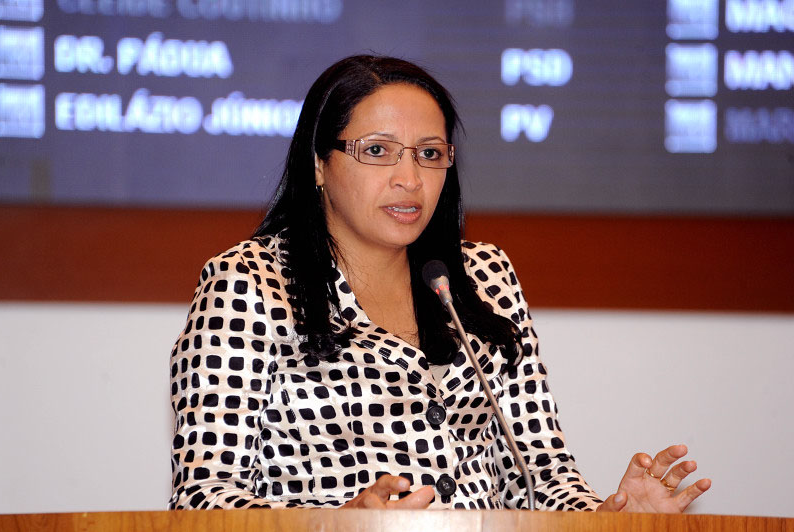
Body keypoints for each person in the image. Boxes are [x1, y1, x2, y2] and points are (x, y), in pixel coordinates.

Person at [168, 55, 710, 511]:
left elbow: (540, 474)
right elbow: (204, 495)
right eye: (377, 151)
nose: (409, 179)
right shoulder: (248, 284)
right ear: (318, 164)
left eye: (429, 154)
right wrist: (336, 523)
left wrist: (610, 516)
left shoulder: (483, 276)